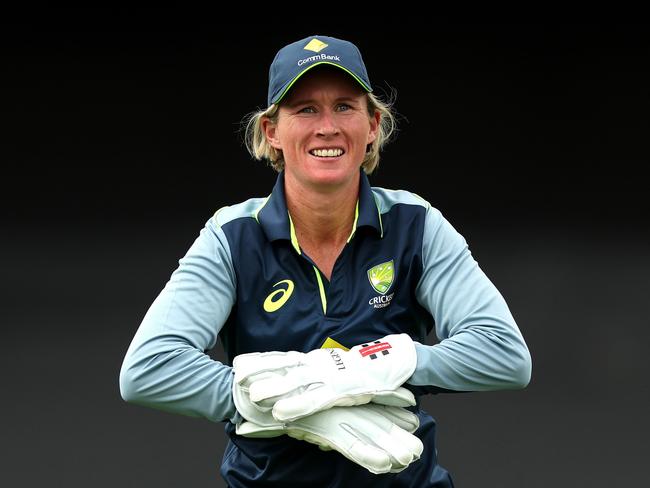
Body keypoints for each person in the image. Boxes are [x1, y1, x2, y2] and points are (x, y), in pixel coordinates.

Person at [119, 34, 532, 487]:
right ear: (272, 131)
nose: (327, 127)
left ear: (373, 124)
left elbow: (504, 354)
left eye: (344, 107)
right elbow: (148, 368)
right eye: (305, 109)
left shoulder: (415, 224)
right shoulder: (232, 235)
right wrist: (285, 407)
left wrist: (377, 365)